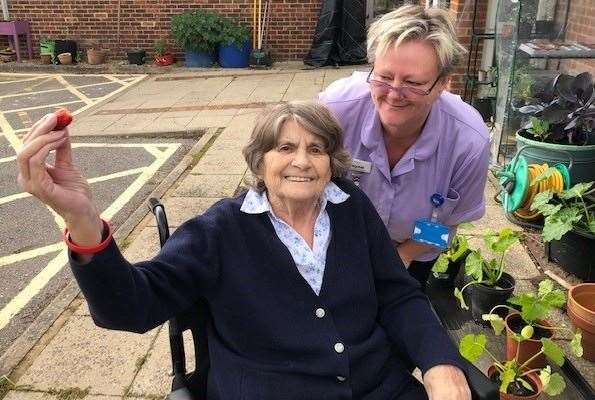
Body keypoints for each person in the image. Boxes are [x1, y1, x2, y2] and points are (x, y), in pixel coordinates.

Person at [17, 101, 471, 399]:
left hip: (378, 384)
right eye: (285, 147)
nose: (301, 160)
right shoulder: (220, 230)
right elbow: (129, 307)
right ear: (259, 161)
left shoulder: (357, 204)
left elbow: (402, 288)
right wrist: (83, 221)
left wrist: (439, 363)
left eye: (317, 149)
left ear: (333, 162)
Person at [319, 5, 490, 289]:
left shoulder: (469, 142)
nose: (394, 94)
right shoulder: (335, 110)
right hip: (338, 242)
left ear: (443, 84)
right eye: (385, 77)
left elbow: (448, 225)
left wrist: (402, 256)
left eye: (413, 83)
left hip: (415, 250)